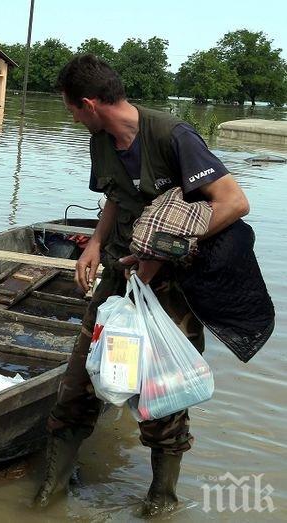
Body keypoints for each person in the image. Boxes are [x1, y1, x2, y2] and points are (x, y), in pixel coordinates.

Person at [33, 54, 249, 517]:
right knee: (78, 388)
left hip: (174, 290)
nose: (71, 117)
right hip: (118, 278)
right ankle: (46, 498)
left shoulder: (173, 136)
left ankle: (161, 501)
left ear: (89, 103)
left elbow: (233, 202)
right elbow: (115, 197)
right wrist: (94, 242)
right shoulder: (101, 140)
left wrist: (161, 252)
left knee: (163, 397)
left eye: (71, 108)